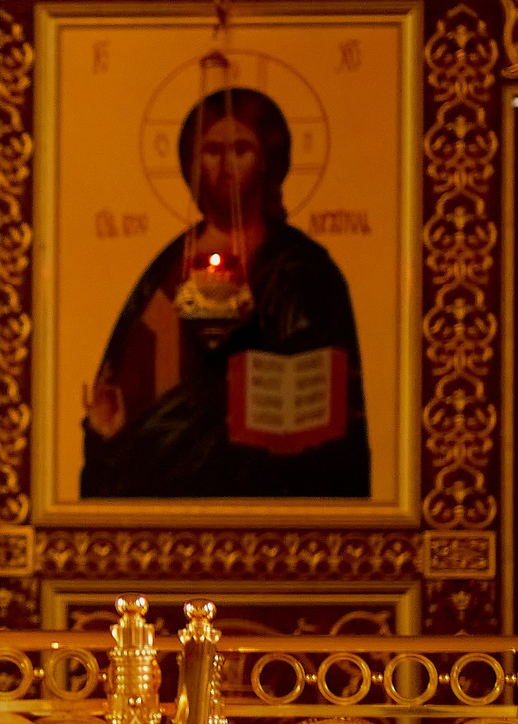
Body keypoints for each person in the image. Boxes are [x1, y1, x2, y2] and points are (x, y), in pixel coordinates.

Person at [81, 86, 369, 501]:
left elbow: (322, 402)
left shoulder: (300, 269)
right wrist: (105, 433)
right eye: (211, 151)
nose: (224, 165)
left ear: (268, 162)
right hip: (156, 491)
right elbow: (120, 383)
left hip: (258, 486)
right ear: (192, 164)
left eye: (240, 149)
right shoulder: (166, 266)